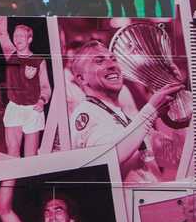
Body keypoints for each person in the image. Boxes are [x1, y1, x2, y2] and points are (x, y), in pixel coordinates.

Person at [63, 36, 187, 181]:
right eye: (99, 61)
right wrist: (151, 111)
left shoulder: (128, 118)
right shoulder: (86, 114)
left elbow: (177, 157)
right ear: (81, 78)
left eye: (114, 59)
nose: (111, 65)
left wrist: (178, 100)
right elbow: (108, 157)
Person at [0, 18, 51, 157]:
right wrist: (1, 9)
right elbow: (1, 32)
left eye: (21, 36)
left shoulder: (39, 60)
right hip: (14, 108)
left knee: (30, 155)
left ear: (29, 39)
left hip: (33, 109)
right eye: (15, 35)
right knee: (12, 153)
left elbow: (45, 87)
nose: (17, 39)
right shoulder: (10, 54)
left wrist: (42, 101)